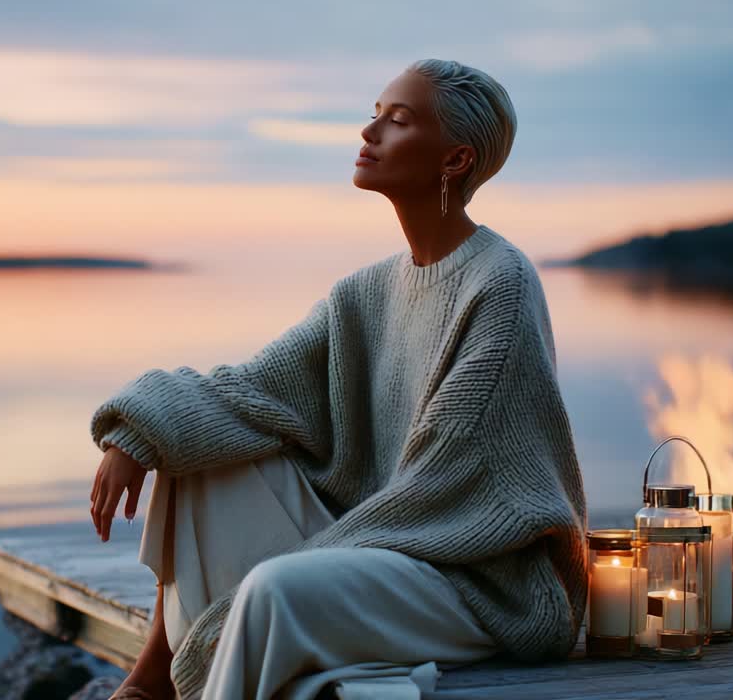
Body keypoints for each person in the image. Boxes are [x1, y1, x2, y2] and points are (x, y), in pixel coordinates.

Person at [87, 59, 588, 700]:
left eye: (397, 120)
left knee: (273, 590)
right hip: (380, 545)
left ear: (455, 160)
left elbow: (448, 488)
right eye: (375, 113)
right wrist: (135, 434)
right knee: (195, 447)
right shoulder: (365, 292)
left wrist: (302, 560)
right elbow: (249, 392)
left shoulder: (501, 284)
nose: (369, 131)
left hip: (474, 579)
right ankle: (152, 678)